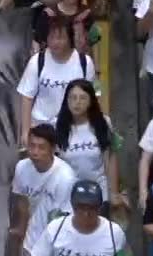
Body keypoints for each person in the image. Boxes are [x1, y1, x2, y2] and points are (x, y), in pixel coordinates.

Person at [18, 14, 97, 143]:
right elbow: (27, 97)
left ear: (69, 39)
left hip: (73, 129)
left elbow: (93, 97)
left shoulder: (85, 63)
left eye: (60, 38)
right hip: (42, 129)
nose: (55, 42)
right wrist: (25, 131)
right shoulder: (37, 61)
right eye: (51, 37)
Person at [54, 79, 126, 217]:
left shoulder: (103, 123)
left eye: (82, 98)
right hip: (69, 197)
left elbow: (110, 158)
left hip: (99, 195)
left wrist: (114, 193)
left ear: (91, 101)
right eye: (73, 98)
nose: (77, 102)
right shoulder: (56, 126)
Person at [9, 123, 77, 255]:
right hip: (29, 242)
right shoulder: (22, 168)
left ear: (52, 149)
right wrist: (20, 233)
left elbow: (64, 220)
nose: (35, 152)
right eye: (32, 146)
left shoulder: (65, 177)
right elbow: (22, 203)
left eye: (41, 148)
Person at [31, 180, 128, 256]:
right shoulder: (55, 229)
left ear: (99, 208)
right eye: (81, 207)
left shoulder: (114, 233)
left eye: (92, 208)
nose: (86, 213)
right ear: (73, 206)